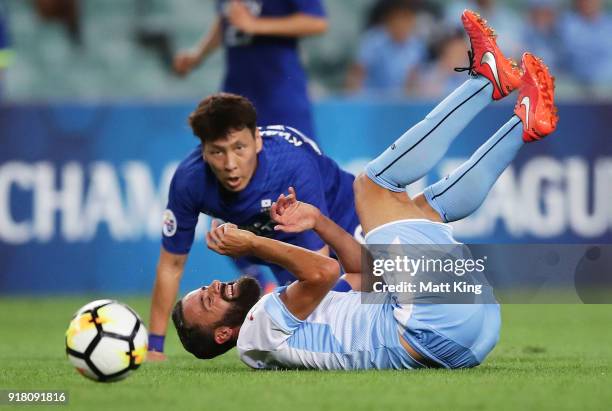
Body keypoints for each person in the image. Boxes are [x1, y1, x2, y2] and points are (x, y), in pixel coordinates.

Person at [171, 10, 559, 368]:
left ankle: (522, 123)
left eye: (204, 288)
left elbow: (362, 270)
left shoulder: (282, 316)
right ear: (223, 333)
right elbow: (323, 270)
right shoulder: (254, 336)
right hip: (426, 329)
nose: (213, 286)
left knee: (419, 211)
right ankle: (483, 82)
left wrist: (320, 222)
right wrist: (250, 243)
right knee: (373, 185)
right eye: (208, 300)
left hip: (467, 337)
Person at [147, 93, 360, 360]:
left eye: (239, 148)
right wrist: (153, 347)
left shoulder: (292, 165)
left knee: (358, 307)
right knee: (302, 331)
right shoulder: (190, 181)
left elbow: (322, 269)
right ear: (203, 151)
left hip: (351, 223)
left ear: (257, 140)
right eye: (217, 152)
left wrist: (252, 244)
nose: (230, 165)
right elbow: (171, 264)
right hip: (285, 248)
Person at [173, 0, 327, 139]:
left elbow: (316, 21)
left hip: (279, 90)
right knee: (232, 160)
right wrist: (198, 54)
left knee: (295, 155)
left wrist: (255, 25)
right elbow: (227, 19)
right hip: (236, 91)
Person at [346, 0, 426, 94]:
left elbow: (414, 82)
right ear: (389, 21)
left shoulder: (416, 46)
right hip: (370, 101)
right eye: (398, 19)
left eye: (406, 20)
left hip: (401, 104)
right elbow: (356, 75)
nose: (401, 25)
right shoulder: (372, 41)